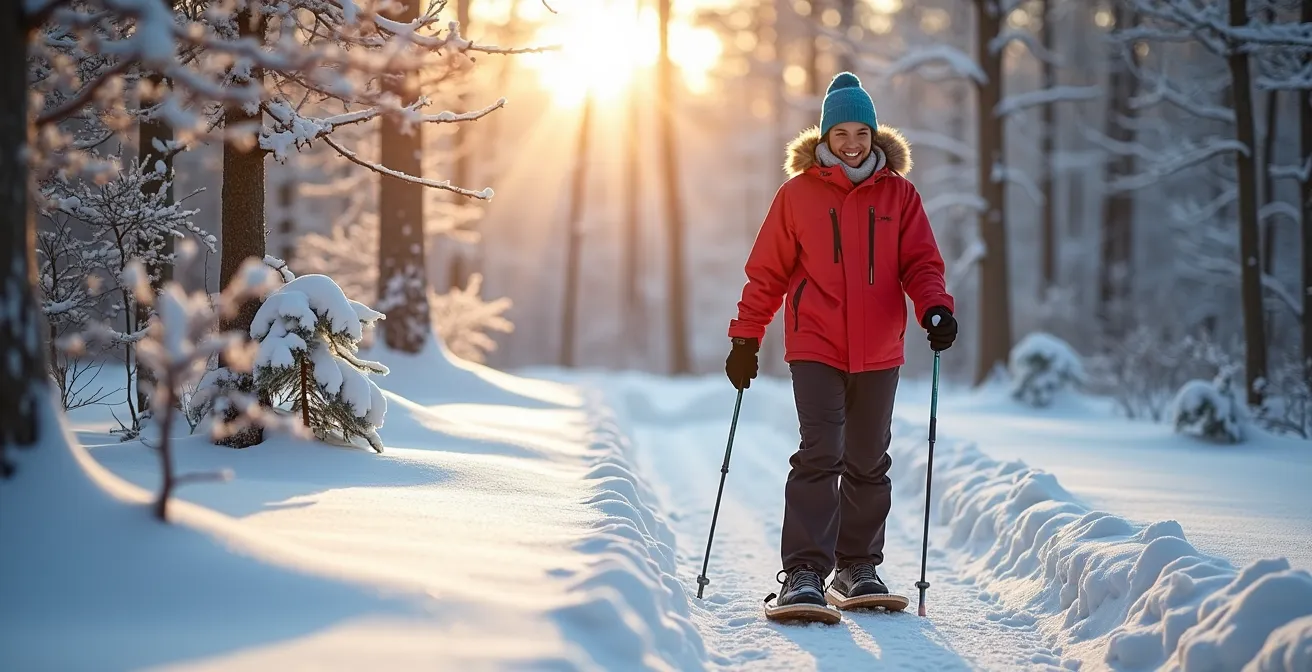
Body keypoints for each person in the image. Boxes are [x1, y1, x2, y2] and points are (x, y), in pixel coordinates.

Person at [724, 71, 958, 611]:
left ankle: (857, 568)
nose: (851, 144)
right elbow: (766, 273)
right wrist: (745, 338)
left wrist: (936, 308)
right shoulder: (797, 194)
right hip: (816, 343)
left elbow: (921, 263)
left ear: (873, 135)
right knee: (820, 451)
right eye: (840, 134)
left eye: (860, 132)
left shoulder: (900, 194)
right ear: (824, 138)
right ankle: (804, 571)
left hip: (879, 345)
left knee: (868, 459)